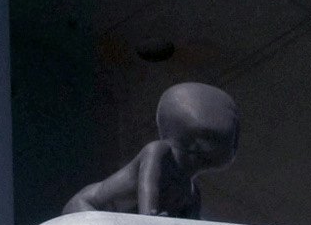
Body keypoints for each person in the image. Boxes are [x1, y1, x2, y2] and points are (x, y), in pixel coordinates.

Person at [68, 81, 240, 218]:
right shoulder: (158, 152)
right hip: (86, 207)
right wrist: (151, 217)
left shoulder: (192, 193)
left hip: (116, 221)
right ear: (199, 142)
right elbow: (147, 208)